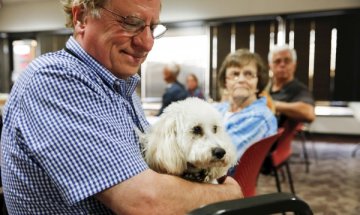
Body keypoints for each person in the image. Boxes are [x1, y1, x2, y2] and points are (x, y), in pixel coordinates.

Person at [0, 0, 243, 214]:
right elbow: (147, 203)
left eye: (152, 27)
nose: (147, 43)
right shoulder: (55, 79)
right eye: (131, 22)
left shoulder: (120, 87)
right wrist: (228, 194)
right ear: (82, 17)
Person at [214, 49, 278, 161]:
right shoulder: (219, 108)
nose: (241, 79)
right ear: (226, 82)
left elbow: (222, 157)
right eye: (235, 74)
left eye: (248, 74)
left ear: (258, 83)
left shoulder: (260, 117)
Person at [267, 44, 315, 126]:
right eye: (277, 61)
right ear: (270, 66)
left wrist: (273, 105)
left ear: (294, 65)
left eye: (287, 61)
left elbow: (309, 113)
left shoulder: (299, 89)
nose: (282, 65)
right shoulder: (265, 87)